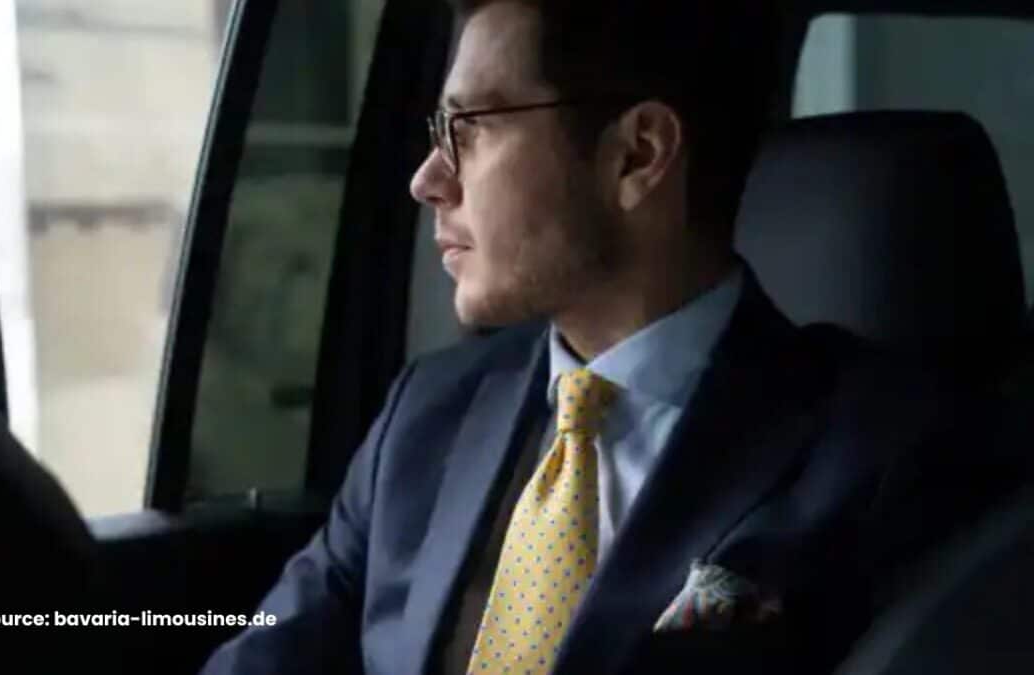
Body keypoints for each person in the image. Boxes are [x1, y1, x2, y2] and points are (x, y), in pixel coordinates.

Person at [200, 1, 999, 673]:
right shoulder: (425, 416)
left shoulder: (888, 452)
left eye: (467, 128)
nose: (427, 179)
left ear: (636, 154)